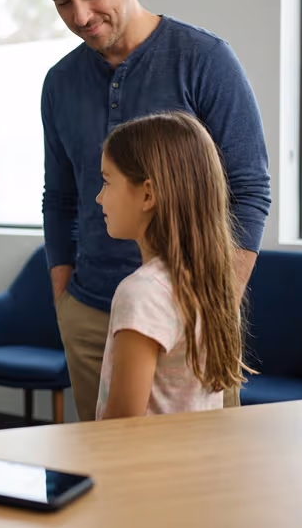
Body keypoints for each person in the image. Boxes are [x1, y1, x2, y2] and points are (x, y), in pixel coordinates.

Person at [30, 0, 272, 421]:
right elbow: (62, 199)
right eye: (62, 2)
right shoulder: (59, 83)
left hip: (193, 317)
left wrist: (210, 305)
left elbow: (248, 189)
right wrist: (63, 300)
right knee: (107, 477)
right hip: (92, 313)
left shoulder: (205, 60)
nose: (79, 16)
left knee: (198, 480)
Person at [94, 111, 252, 420]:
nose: (99, 198)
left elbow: (122, 428)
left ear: (148, 194)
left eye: (107, 181)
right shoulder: (208, 282)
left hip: (141, 469)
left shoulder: (141, 293)